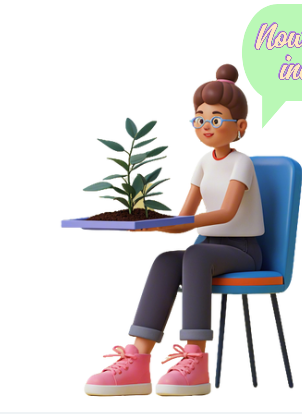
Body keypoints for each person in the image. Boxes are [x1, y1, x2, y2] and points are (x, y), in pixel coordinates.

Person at [84, 64, 265, 397]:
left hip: (243, 251)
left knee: (195, 255)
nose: (205, 126)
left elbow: (227, 212)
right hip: (211, 247)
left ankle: (194, 360)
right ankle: (137, 361)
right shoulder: (203, 162)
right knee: (167, 260)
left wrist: (186, 225)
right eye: (199, 118)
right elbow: (185, 218)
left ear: (239, 126)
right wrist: (151, 225)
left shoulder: (243, 163)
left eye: (215, 119)